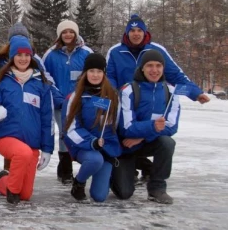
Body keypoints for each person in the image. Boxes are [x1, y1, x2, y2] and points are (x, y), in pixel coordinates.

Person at [106, 14, 209, 183]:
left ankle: (156, 184)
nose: (136, 34)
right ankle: (131, 167)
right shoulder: (116, 51)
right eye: (132, 30)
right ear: (127, 33)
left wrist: (195, 93)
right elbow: (109, 77)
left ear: (145, 32)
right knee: (122, 140)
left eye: (139, 30)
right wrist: (113, 96)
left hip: (147, 103)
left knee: (163, 140)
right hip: (125, 104)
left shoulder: (156, 50)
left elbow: (176, 75)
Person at [0, 36, 54, 204]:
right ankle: (12, 192)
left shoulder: (41, 84)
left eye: (27, 55)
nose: (23, 58)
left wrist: (47, 148)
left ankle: (2, 180)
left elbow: (47, 119)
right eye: (19, 55)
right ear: (12, 57)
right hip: (5, 135)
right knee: (22, 154)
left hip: (31, 142)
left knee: (26, 194)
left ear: (32, 57)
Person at [111, 50, 180, 204]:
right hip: (126, 146)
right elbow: (126, 128)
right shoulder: (128, 90)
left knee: (167, 143)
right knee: (123, 193)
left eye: (158, 66)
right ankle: (119, 172)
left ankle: (157, 188)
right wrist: (153, 127)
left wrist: (143, 136)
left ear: (163, 68)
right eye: (149, 66)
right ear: (142, 68)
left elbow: (171, 126)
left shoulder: (171, 91)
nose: (154, 70)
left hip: (145, 141)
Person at [0, 22, 63, 172]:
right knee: (12, 139)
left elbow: (45, 80)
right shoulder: (1, 58)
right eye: (16, 37)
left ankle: (14, 174)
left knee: (24, 141)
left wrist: (58, 99)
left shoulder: (34, 59)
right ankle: (8, 174)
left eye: (22, 36)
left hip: (29, 102)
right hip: (8, 103)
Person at [62, 53, 121, 202]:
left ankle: (109, 179)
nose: (95, 75)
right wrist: (91, 142)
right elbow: (70, 129)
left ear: (104, 73)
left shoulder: (112, 96)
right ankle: (79, 183)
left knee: (99, 196)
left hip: (105, 148)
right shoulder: (75, 97)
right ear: (85, 73)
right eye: (91, 71)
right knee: (95, 160)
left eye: (99, 71)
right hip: (84, 147)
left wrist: (109, 147)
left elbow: (115, 125)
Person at [42, 20, 93, 185]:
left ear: (76, 33)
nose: (68, 35)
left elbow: (93, 76)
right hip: (60, 103)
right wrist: (57, 97)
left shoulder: (86, 53)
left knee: (80, 132)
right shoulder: (51, 54)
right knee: (65, 133)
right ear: (60, 35)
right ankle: (65, 170)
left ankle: (83, 164)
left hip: (81, 102)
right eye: (65, 32)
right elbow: (45, 77)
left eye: (71, 31)